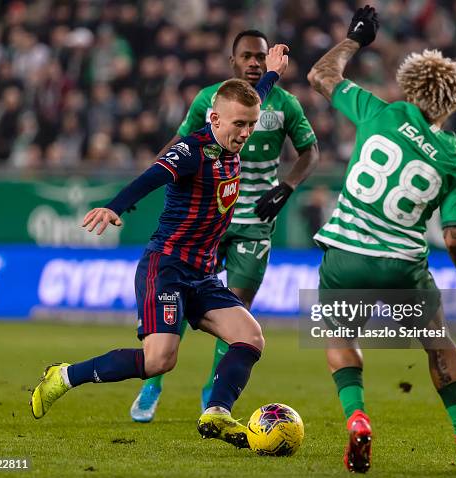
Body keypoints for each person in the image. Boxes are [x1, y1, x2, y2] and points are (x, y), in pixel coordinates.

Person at [30, 45, 289, 450]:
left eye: (251, 126)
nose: (245, 133)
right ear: (214, 118)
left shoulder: (235, 130)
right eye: (239, 125)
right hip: (165, 266)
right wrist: (114, 206)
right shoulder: (191, 150)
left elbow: (254, 99)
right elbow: (151, 176)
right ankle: (64, 376)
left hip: (202, 273)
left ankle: (217, 411)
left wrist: (270, 74)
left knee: (251, 337)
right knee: (159, 360)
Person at [307, 5, 456, 472]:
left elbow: (321, 75)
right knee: (438, 344)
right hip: (402, 265)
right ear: (453, 102)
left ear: (409, 84)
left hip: (346, 256)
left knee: (340, 335)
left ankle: (357, 418)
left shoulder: (380, 112)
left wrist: (355, 39)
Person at [130, 29, 319, 423]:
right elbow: (181, 143)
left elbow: (310, 152)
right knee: (179, 294)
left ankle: (212, 392)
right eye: (246, 56)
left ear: (269, 60)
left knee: (237, 305)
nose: (254, 62)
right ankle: (153, 382)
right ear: (232, 61)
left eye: (260, 56)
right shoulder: (209, 100)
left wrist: (286, 187)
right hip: (207, 220)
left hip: (255, 221)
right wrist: (146, 181)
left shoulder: (285, 104)